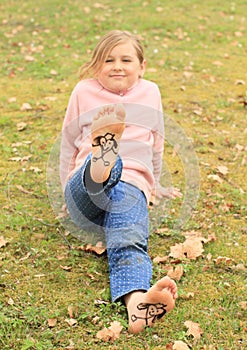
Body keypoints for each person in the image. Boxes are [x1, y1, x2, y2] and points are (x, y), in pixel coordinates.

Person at [60, 30, 181, 334]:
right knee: (98, 170)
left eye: (126, 59)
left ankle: (137, 305)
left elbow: (156, 142)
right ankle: (103, 160)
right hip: (85, 192)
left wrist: (154, 184)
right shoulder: (83, 91)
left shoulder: (151, 91)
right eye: (108, 60)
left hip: (130, 186)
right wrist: (65, 189)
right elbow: (68, 143)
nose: (117, 66)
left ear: (141, 66)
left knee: (129, 239)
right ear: (95, 65)